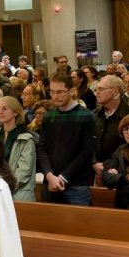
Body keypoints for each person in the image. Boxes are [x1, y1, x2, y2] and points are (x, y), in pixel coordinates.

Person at [37, 76, 96, 205]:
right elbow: (42, 148)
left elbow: (86, 152)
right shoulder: (48, 116)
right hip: (50, 181)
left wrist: (63, 177)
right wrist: (49, 175)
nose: (55, 96)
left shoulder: (86, 116)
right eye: (52, 92)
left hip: (76, 184)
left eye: (60, 92)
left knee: (79, 224)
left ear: (71, 91)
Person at [0, 96, 37, 202]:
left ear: (15, 112)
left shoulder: (26, 138)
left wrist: (5, 187)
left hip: (16, 192)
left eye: (4, 108)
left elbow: (24, 171)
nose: (0, 112)